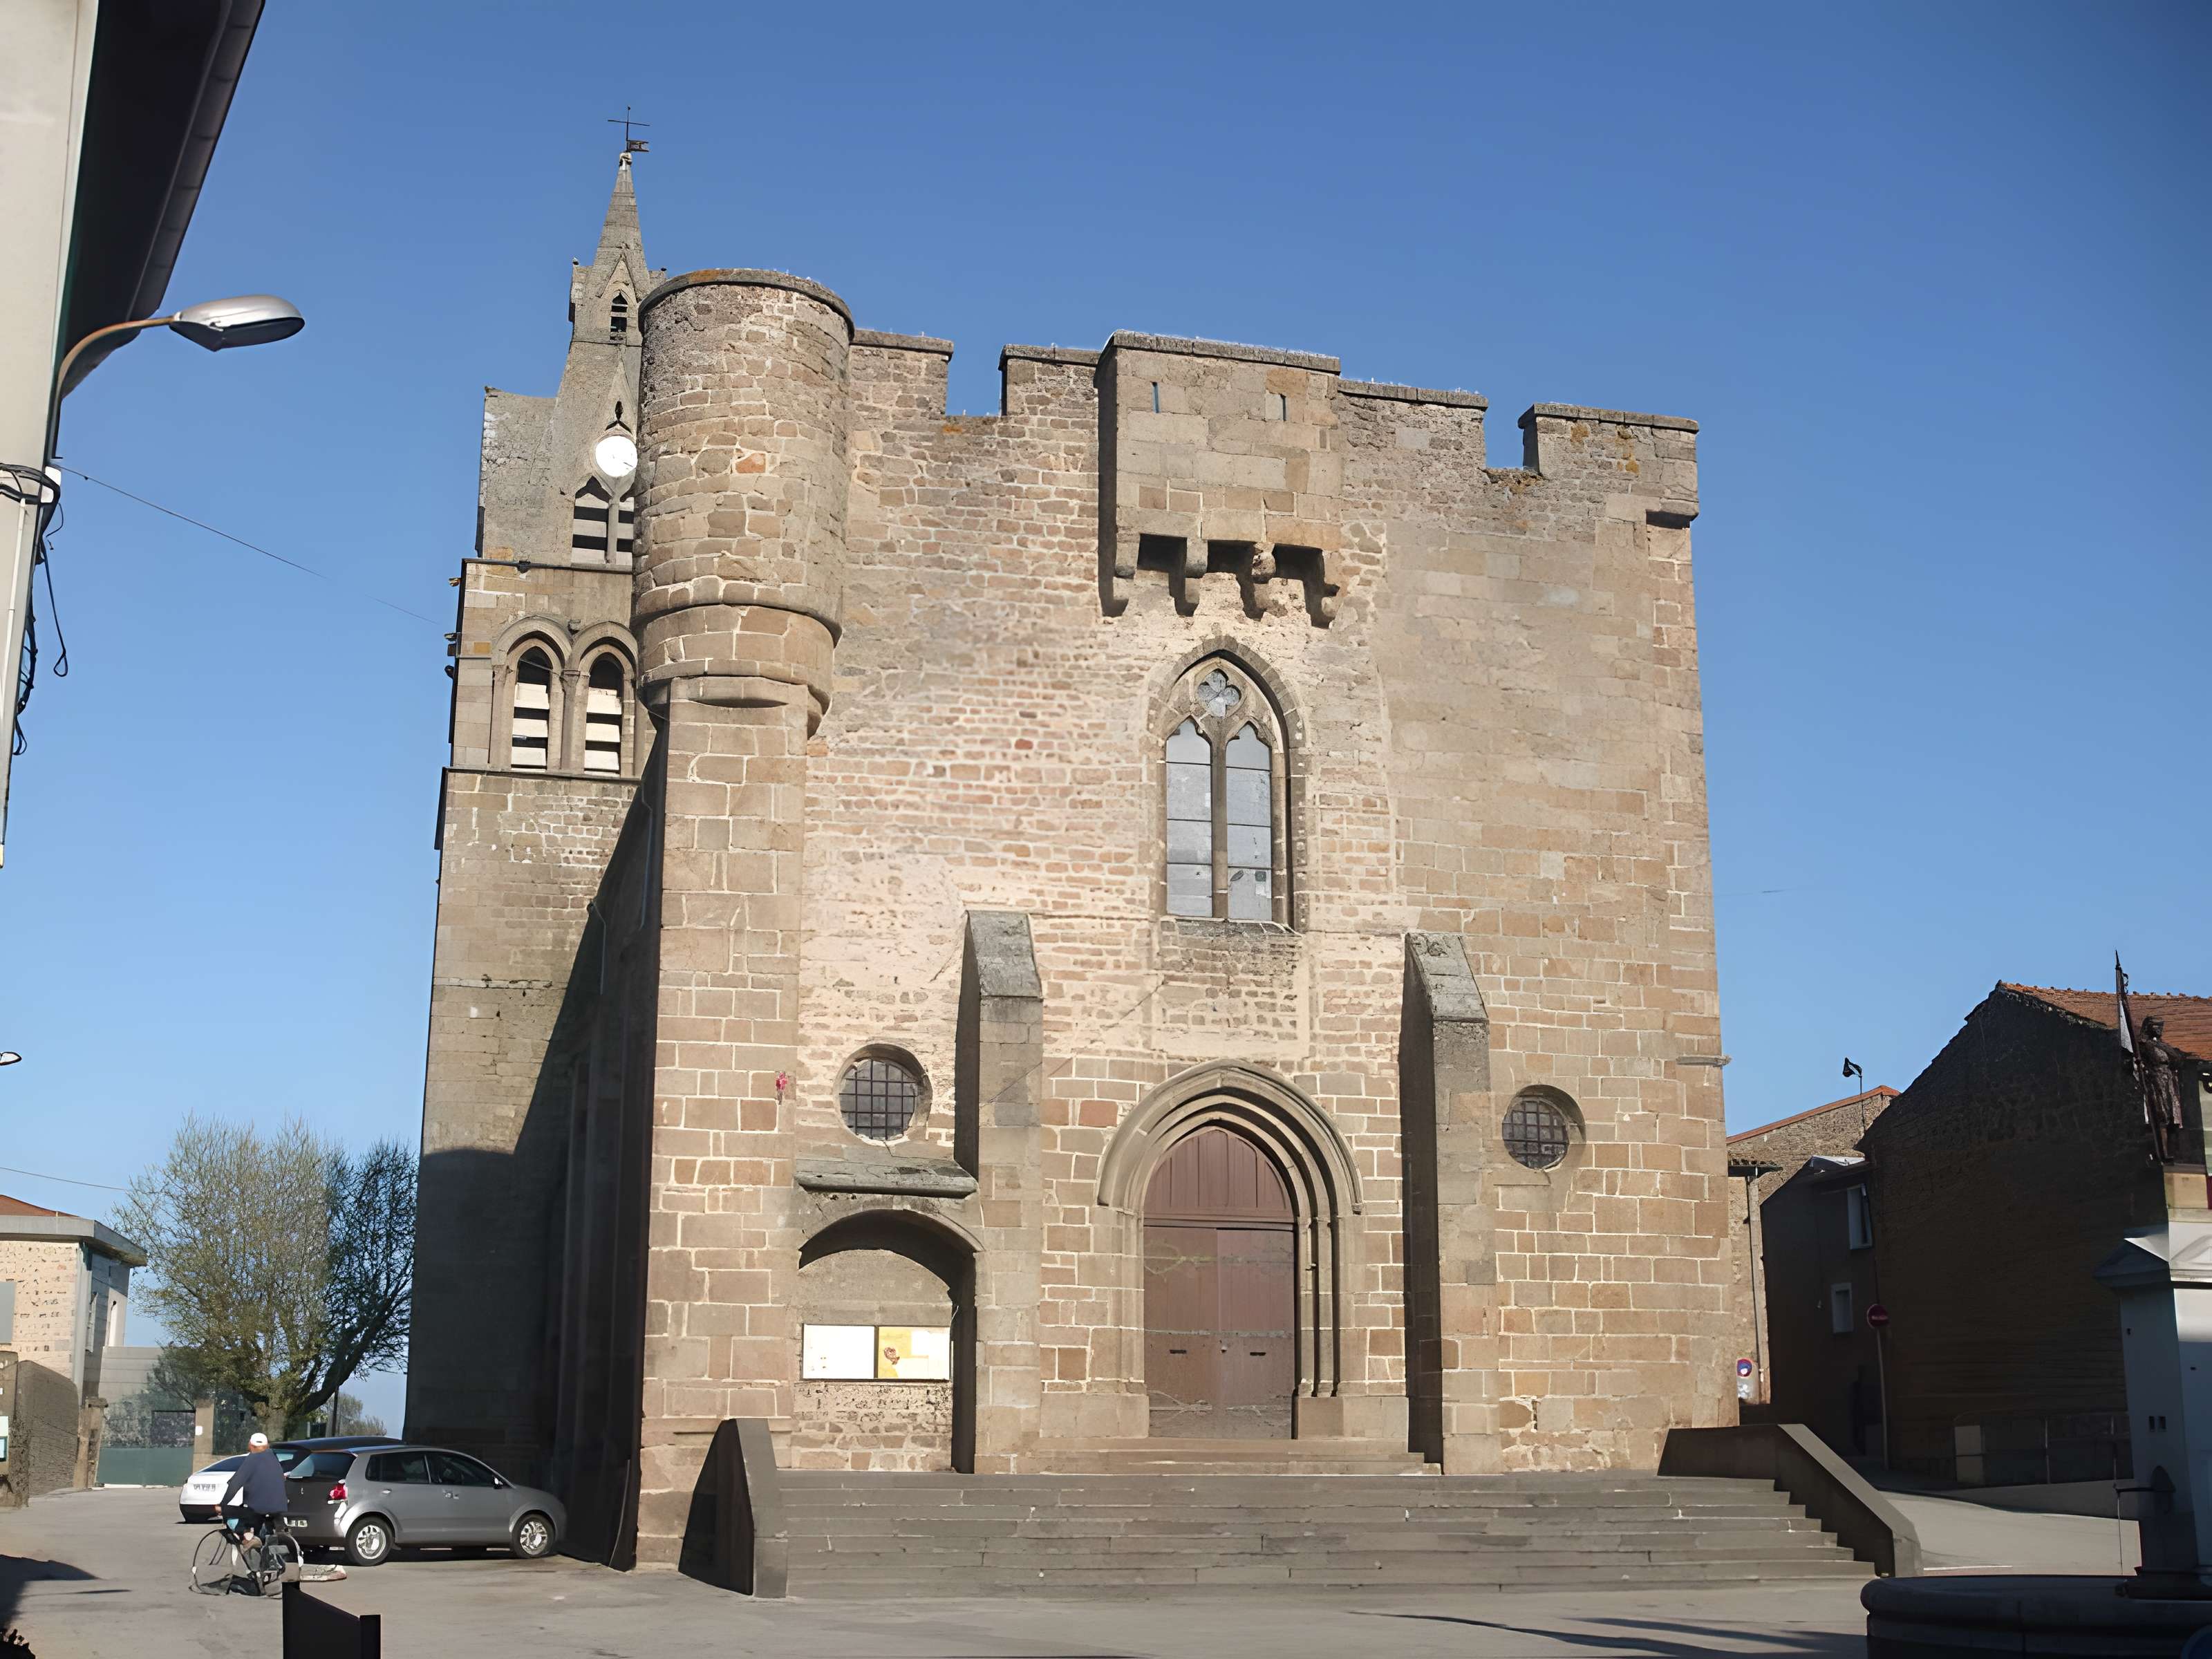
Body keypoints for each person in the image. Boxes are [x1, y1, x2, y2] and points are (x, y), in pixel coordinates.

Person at [220, 1432, 291, 1550]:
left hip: (257, 1508)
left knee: (230, 1515)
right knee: (262, 1530)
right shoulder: (274, 1459)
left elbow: (235, 1484)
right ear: (267, 1446)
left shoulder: (252, 1459)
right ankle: (261, 1549)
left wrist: (223, 1504)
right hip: (279, 1508)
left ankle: (247, 1539)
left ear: (250, 1445)